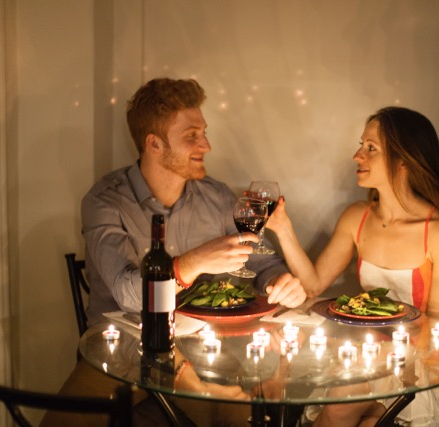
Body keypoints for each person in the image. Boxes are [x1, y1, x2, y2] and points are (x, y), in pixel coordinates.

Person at [42, 77, 306, 427]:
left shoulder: (217, 196)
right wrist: (192, 263)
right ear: (154, 143)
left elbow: (263, 262)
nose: (207, 145)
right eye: (192, 136)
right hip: (124, 353)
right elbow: (127, 293)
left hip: (205, 355)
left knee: (249, 417)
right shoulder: (105, 201)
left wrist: (279, 280)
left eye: (204, 132)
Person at [266, 106, 439, 427]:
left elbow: (438, 327)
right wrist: (282, 228)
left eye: (371, 148)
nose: (357, 155)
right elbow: (314, 284)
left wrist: (379, 359)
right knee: (348, 410)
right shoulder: (356, 216)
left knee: (343, 407)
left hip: (417, 362)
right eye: (362, 145)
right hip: (364, 353)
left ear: (404, 161)